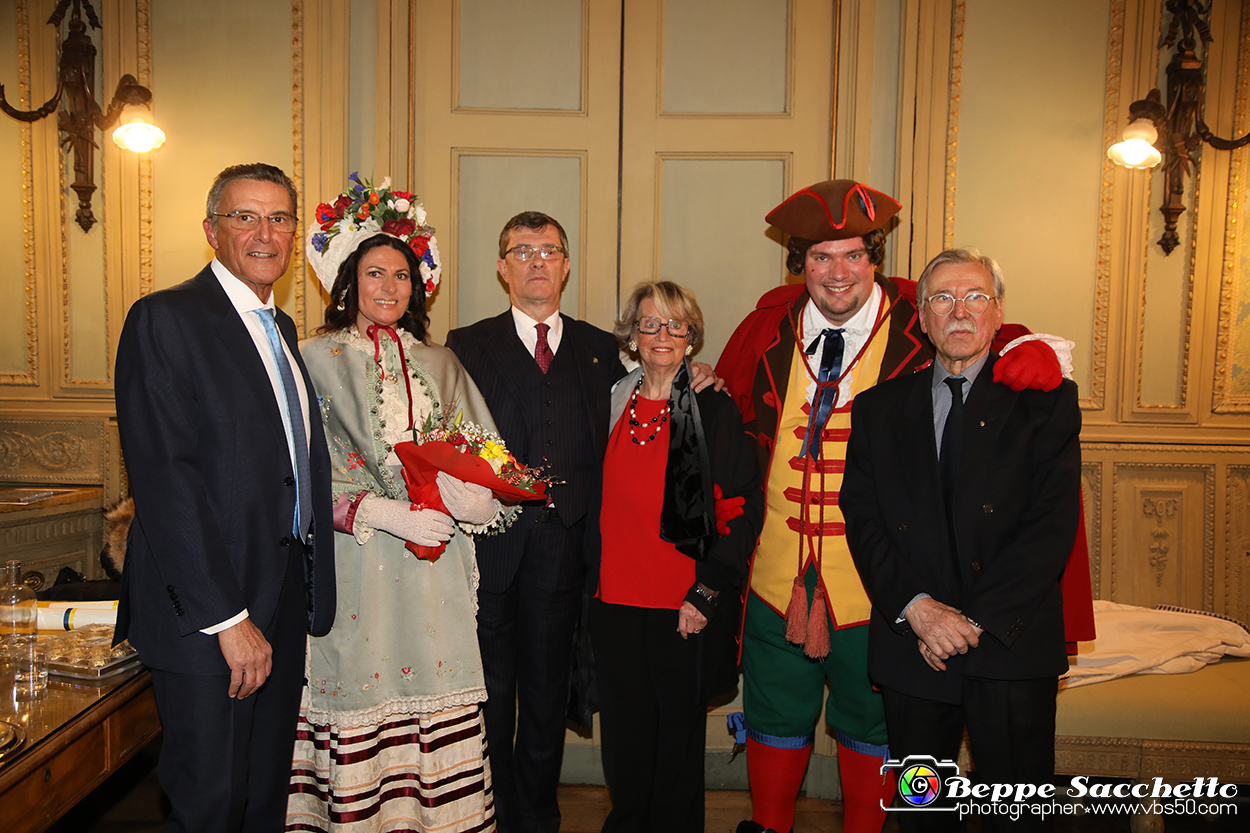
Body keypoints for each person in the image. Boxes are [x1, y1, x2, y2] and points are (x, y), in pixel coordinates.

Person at [715, 179, 1091, 833]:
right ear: (799, 263)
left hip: (882, 595)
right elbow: (727, 422)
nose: (838, 273)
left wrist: (1029, 348)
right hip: (779, 584)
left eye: (854, 255)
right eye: (821, 257)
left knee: (893, 752)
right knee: (779, 721)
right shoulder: (765, 328)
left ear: (876, 261)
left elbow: (981, 324)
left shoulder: (921, 317)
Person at [445, 212, 719, 833]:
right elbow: (447, 439)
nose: (537, 261)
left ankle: (536, 819)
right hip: (488, 551)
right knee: (485, 697)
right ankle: (484, 817)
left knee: (545, 699)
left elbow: (663, 384)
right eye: (523, 251)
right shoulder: (465, 344)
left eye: (550, 251)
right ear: (502, 266)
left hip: (571, 552)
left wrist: (702, 375)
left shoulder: (602, 351)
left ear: (567, 265)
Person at [114, 163, 336, 833]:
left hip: (281, 604)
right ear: (211, 229)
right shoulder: (165, 319)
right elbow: (166, 481)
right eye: (245, 217)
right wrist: (227, 618)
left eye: (279, 218)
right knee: (209, 807)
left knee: (262, 801)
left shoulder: (283, 330)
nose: (264, 233)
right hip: (210, 619)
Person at [287, 177, 507, 831]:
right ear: (349, 281)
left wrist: (477, 498)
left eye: (402, 274)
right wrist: (372, 511)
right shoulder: (312, 359)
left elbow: (488, 456)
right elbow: (292, 476)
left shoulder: (442, 362)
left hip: (435, 572)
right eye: (375, 272)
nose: (390, 286)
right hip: (357, 577)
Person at [842, 248, 1082, 831]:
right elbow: (864, 518)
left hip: (1008, 641)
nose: (960, 312)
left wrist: (969, 624)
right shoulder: (877, 410)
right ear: (922, 318)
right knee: (921, 815)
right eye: (942, 299)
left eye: (976, 297)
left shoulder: (1046, 403)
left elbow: (1050, 527)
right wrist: (920, 612)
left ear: (998, 313)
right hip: (912, 650)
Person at [593, 281, 763, 832]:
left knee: (676, 735)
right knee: (624, 732)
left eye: (675, 326)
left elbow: (742, 508)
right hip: (613, 598)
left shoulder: (712, 406)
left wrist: (706, 591)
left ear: (691, 337)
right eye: (649, 324)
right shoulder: (614, 398)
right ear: (633, 336)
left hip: (681, 603)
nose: (662, 335)